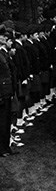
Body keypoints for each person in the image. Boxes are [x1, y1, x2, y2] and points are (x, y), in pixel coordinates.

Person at [0, 26, 16, 157]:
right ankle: (2, 148)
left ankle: (5, 147)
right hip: (2, 93)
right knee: (2, 121)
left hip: (6, 92)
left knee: (6, 121)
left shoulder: (3, 54)